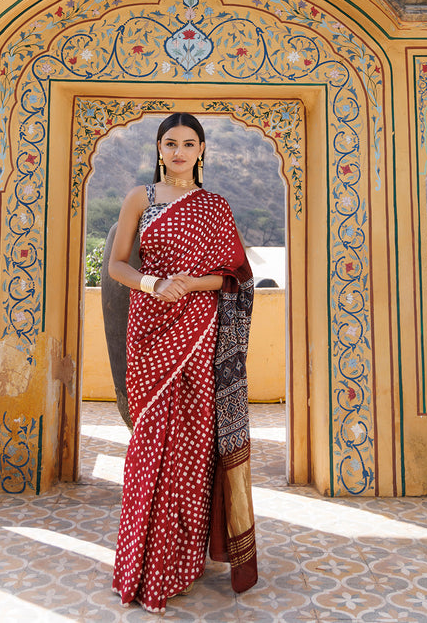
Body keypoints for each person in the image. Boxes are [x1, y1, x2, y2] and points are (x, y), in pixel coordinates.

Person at [109, 112, 258, 613]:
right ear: (157, 148)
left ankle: (181, 563)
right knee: (150, 442)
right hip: (150, 329)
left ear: (201, 151)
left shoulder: (215, 206)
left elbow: (234, 276)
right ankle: (140, 565)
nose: (178, 151)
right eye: (169, 143)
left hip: (199, 331)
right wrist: (155, 284)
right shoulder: (140, 199)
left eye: (188, 143)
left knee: (193, 445)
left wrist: (190, 284)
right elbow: (117, 264)